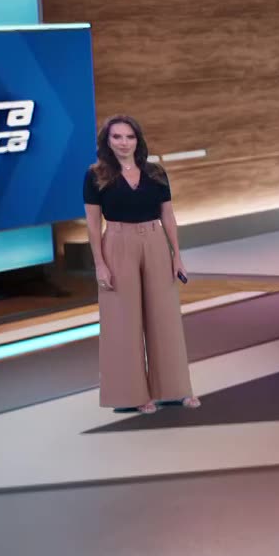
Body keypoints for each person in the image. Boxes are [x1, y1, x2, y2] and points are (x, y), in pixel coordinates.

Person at [83, 115, 200, 414]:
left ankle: (175, 390)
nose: (124, 143)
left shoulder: (156, 173)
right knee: (122, 321)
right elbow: (93, 225)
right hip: (117, 243)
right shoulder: (96, 175)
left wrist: (177, 255)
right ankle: (130, 396)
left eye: (129, 137)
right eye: (117, 137)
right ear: (107, 142)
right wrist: (100, 264)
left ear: (138, 140)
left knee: (165, 317)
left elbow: (168, 216)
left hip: (155, 241)